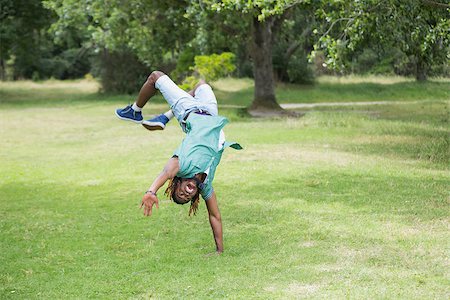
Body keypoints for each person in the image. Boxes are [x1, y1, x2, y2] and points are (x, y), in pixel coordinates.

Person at [115, 71, 242, 253]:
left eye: (180, 194)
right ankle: (165, 116)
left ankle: (135, 111)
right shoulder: (205, 184)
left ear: (177, 183)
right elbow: (215, 215)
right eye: (187, 198)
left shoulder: (183, 166)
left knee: (156, 77)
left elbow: (166, 172)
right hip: (210, 111)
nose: (186, 194)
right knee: (201, 85)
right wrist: (219, 251)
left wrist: (152, 191)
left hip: (188, 110)